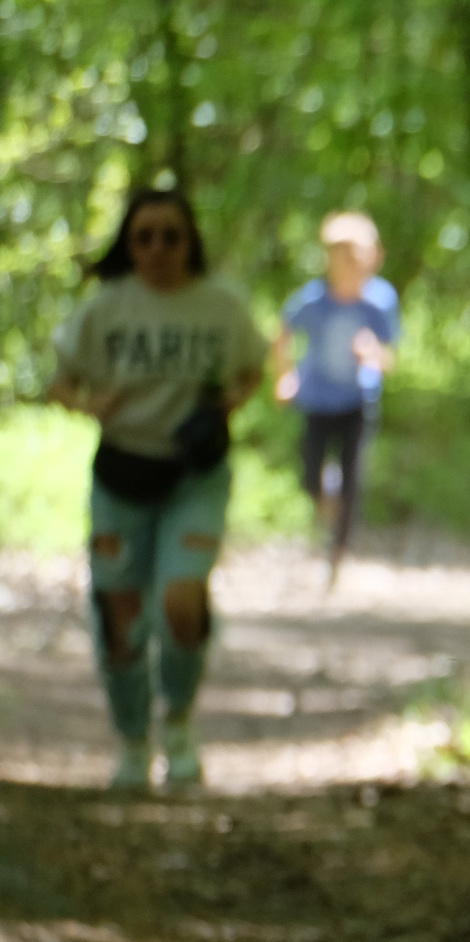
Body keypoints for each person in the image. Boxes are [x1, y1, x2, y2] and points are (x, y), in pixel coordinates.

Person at [46, 189, 266, 791]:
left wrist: (226, 403)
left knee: (181, 596)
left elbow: (254, 366)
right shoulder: (105, 309)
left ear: (190, 240)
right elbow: (59, 380)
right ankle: (131, 737)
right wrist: (91, 404)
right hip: (121, 474)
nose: (158, 248)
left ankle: (179, 722)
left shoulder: (221, 306)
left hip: (192, 477)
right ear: (129, 244)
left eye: (171, 235)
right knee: (120, 612)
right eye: (144, 236)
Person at [273, 210, 400, 582]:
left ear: (375, 256)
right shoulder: (311, 302)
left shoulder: (380, 302)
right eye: (343, 255)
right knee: (311, 475)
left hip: (358, 403)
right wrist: (285, 378)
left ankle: (338, 555)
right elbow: (282, 337)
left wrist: (373, 353)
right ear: (329, 259)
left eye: (360, 254)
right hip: (317, 402)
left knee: (353, 480)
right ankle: (324, 501)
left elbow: (389, 357)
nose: (353, 263)